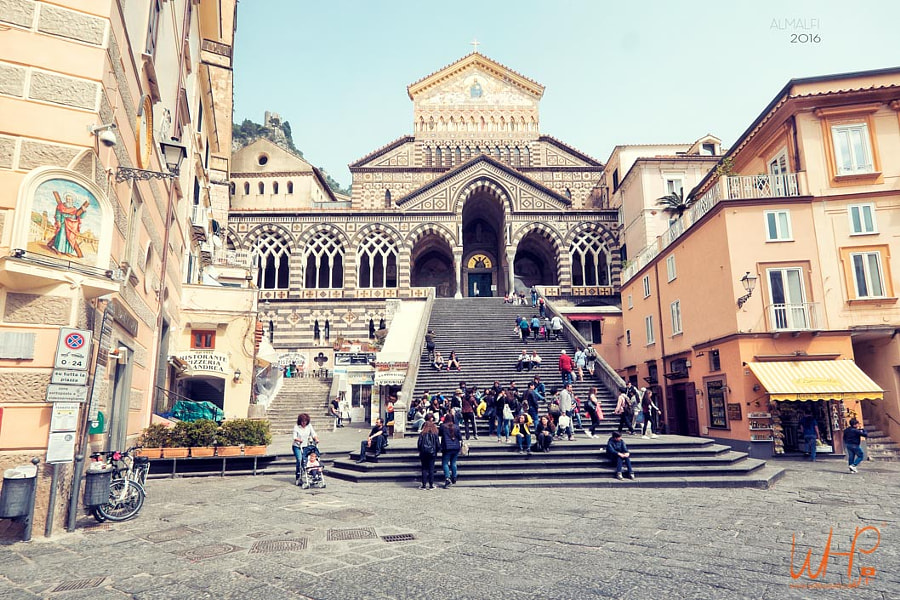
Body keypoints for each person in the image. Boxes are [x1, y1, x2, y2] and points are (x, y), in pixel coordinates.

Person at [292, 413, 319, 486]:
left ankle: (308, 475)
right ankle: (298, 477)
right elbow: (294, 437)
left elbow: (313, 434)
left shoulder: (309, 426)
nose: (304, 423)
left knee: (306, 460)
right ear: (300, 421)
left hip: (305, 447)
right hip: (297, 446)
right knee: (299, 459)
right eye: (302, 421)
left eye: (305, 421)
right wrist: (298, 440)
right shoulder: (296, 427)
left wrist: (316, 439)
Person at [417, 414, 440, 489]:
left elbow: (419, 443)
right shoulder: (435, 433)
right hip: (432, 452)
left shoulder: (422, 433)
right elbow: (437, 444)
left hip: (423, 452)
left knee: (424, 468)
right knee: (431, 468)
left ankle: (423, 485)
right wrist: (436, 451)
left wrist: (420, 450)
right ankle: (431, 484)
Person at [439, 414, 462, 488]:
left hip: (447, 447)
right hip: (456, 447)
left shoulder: (443, 426)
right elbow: (460, 437)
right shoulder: (456, 427)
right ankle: (454, 477)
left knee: (445, 463)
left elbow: (439, 434)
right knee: (453, 462)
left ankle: (447, 477)